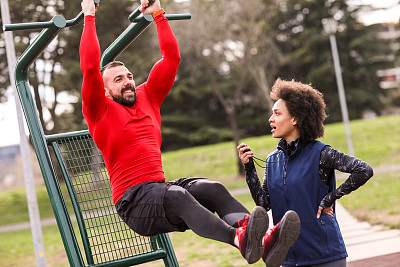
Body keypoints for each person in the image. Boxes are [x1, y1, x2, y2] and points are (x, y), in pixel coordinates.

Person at [79, 0, 278, 264]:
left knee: (213, 189)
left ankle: (260, 240)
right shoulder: (99, 110)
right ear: (105, 91)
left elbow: (171, 59)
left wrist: (159, 15)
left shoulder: (147, 96)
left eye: (129, 76)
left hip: (159, 189)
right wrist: (89, 16)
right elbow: (91, 67)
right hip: (134, 202)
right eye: (118, 80)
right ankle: (238, 239)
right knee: (177, 195)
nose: (127, 81)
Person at [237, 78, 374, 267]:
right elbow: (263, 203)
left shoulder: (321, 153)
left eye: (277, 113)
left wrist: (329, 198)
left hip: (325, 255)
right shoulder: (272, 160)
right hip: (287, 257)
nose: (271, 119)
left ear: (295, 119)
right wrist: (249, 168)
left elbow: (364, 170)